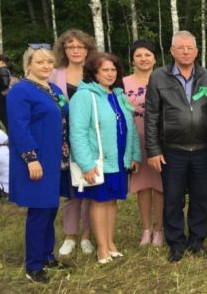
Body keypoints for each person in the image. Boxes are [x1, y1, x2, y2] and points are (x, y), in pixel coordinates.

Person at [145, 31, 207, 263]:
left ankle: (197, 241)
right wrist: (154, 150)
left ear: (197, 51)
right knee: (173, 198)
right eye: (181, 47)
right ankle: (176, 243)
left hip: (203, 149)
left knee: (200, 197)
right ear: (172, 51)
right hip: (172, 149)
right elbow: (152, 116)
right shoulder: (159, 77)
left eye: (190, 47)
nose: (186, 51)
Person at [69, 53, 141, 264]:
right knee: (100, 202)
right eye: (105, 70)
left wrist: (134, 154)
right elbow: (78, 132)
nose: (110, 74)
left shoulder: (118, 95)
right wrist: (86, 164)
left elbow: (131, 128)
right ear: (94, 73)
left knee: (111, 202)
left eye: (113, 70)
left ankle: (110, 243)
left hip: (118, 159)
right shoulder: (84, 96)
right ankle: (101, 248)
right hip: (98, 161)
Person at [7, 43, 70, 283]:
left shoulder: (53, 89)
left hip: (56, 160)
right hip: (37, 160)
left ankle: (47, 255)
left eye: (49, 62)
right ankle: (33, 265)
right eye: (40, 62)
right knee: (39, 211)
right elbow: (19, 127)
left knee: (50, 208)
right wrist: (31, 159)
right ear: (28, 64)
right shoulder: (20, 91)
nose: (46, 66)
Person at [50, 29, 98, 257]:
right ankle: (70, 235)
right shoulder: (54, 74)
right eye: (70, 47)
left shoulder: (95, 74)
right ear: (64, 50)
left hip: (90, 140)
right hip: (63, 140)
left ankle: (87, 234)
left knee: (89, 186)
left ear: (88, 50)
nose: (76, 50)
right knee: (70, 190)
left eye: (80, 46)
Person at [123, 40, 164, 247]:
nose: (143, 59)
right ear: (133, 59)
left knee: (160, 186)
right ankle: (146, 229)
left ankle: (159, 229)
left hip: (159, 141)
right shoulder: (123, 83)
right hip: (134, 141)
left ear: (155, 58)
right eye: (138, 55)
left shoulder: (164, 79)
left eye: (148, 55)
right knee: (142, 187)